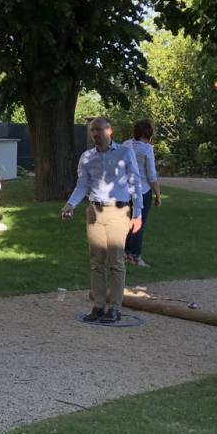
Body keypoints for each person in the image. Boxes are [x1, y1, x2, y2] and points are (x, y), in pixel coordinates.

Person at [62, 117, 143, 323]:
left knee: (116, 261)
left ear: (110, 131)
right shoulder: (87, 157)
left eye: (99, 129)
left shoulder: (125, 153)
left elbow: (135, 183)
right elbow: (82, 185)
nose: (95, 134)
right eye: (92, 130)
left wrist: (137, 213)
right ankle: (98, 305)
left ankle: (114, 308)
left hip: (118, 211)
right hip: (94, 212)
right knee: (96, 262)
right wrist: (71, 204)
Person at [122, 119, 162, 267]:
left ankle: (125, 254)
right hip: (142, 190)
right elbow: (152, 175)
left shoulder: (126, 144)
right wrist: (158, 195)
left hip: (126, 190)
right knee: (138, 224)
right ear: (149, 132)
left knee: (127, 224)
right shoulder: (147, 149)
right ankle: (135, 256)